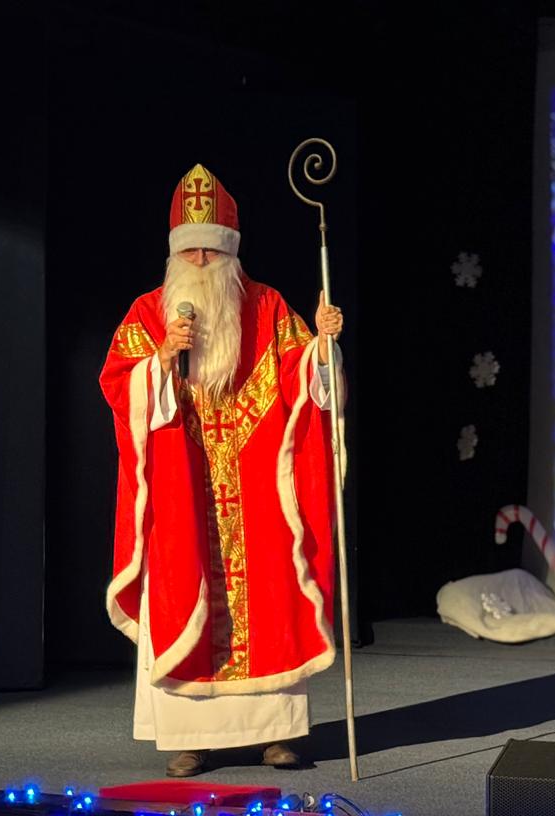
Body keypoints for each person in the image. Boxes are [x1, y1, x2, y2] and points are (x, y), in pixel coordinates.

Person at [100, 164, 344, 777]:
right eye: (191, 250)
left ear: (232, 251)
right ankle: (190, 737)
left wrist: (322, 347)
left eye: (212, 248)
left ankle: (276, 735)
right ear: (175, 254)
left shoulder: (267, 307)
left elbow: (305, 383)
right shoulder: (148, 312)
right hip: (182, 487)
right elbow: (119, 386)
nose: (202, 260)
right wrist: (162, 358)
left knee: (271, 594)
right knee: (183, 591)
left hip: (258, 487)